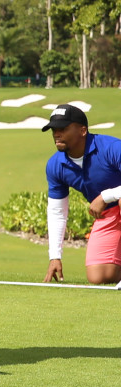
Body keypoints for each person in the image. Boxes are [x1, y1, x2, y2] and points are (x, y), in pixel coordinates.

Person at [41, 104, 121, 285]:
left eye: (63, 129)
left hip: (116, 203)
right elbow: (57, 211)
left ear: (83, 130)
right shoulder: (55, 165)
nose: (56, 134)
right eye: (54, 130)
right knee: (98, 277)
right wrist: (55, 256)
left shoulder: (112, 148)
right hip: (109, 214)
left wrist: (106, 196)